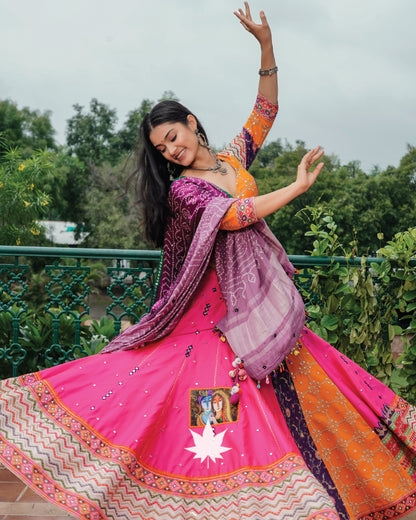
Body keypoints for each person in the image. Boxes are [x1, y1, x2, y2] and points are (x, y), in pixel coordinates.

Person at [1, 3, 416, 520]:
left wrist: (265, 44)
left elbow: (265, 111)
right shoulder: (185, 192)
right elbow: (236, 215)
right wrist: (296, 187)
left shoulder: (233, 157)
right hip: (210, 326)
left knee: (316, 396)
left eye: (172, 137)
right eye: (160, 148)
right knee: (217, 422)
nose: (169, 151)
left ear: (192, 123)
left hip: (254, 312)